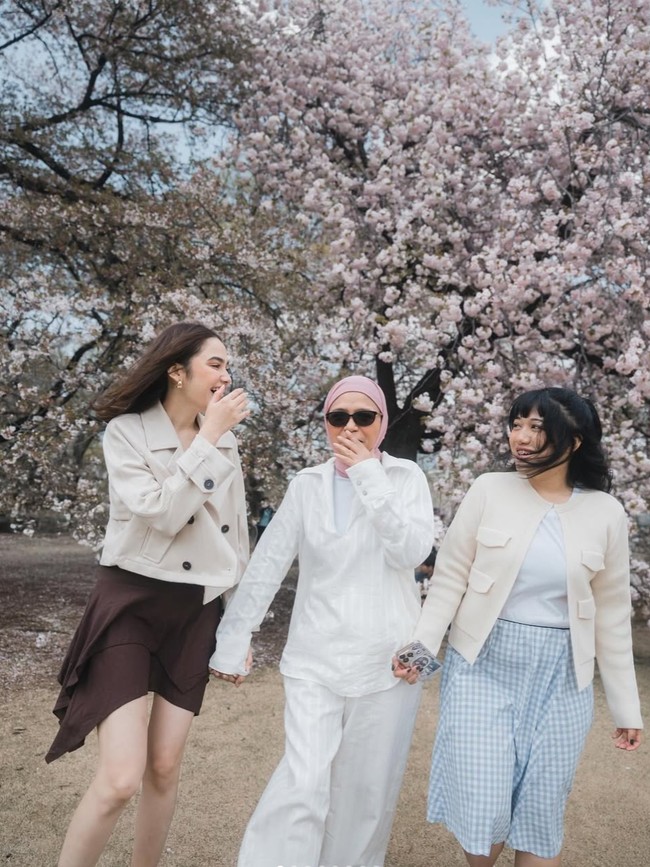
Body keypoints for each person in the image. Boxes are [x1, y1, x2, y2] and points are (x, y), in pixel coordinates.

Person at [394, 387, 643, 867]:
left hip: (562, 678)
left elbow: (612, 615)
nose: (521, 437)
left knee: (539, 815)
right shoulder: (489, 489)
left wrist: (626, 708)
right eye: (517, 423)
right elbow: (449, 579)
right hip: (482, 664)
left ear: (573, 441)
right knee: (483, 820)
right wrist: (420, 651)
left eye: (537, 427)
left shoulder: (606, 513)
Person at [46, 322, 250, 867]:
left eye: (227, 365)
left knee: (164, 766)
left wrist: (240, 625)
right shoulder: (127, 433)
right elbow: (161, 513)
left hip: (194, 611)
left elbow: (236, 536)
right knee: (118, 779)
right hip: (131, 605)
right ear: (177, 370)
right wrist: (207, 440)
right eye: (215, 363)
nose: (225, 375)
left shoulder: (226, 439)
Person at [210, 375, 435, 867]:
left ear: (381, 422)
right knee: (303, 781)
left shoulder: (406, 479)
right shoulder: (307, 484)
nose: (350, 427)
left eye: (364, 417)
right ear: (325, 423)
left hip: (390, 663)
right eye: (338, 417)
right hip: (314, 658)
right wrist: (232, 639)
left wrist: (368, 476)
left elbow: (412, 551)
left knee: (365, 796)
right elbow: (268, 564)